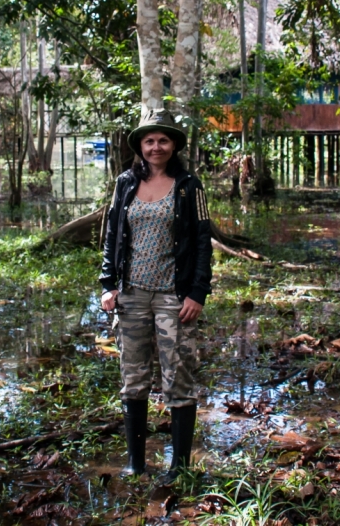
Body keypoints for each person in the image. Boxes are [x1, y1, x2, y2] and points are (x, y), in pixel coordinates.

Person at [99, 109, 213, 480]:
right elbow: (112, 235)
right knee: (133, 378)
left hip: (173, 297)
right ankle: (135, 463)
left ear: (174, 144)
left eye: (163, 139)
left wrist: (197, 292)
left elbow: (202, 243)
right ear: (140, 146)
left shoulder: (189, 185)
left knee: (178, 378)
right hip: (131, 296)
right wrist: (108, 284)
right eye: (149, 140)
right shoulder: (125, 183)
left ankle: (179, 468)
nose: (156, 146)